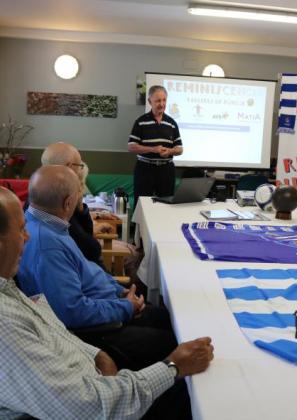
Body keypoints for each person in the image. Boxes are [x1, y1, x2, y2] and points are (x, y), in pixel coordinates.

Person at [0, 186, 214, 419]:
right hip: (100, 398)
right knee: (196, 391)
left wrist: (98, 355)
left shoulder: (7, 285)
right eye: (21, 230)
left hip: (98, 375)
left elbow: (56, 332)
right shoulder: (5, 325)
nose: (27, 237)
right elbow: (87, 407)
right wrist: (173, 367)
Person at [17, 165, 177, 373]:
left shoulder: (48, 224)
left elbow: (87, 269)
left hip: (111, 304)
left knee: (172, 318)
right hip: (98, 331)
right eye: (79, 193)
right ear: (68, 203)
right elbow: (72, 312)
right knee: (175, 339)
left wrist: (120, 291)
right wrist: (125, 307)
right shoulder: (46, 246)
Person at [40, 142, 104, 267]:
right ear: (69, 167)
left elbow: (86, 235)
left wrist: (80, 207)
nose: (81, 170)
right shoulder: (57, 201)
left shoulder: (43, 193)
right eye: (80, 166)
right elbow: (91, 250)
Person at [128, 85, 183, 205]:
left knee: (166, 205)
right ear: (150, 101)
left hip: (166, 170)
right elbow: (131, 146)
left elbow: (179, 149)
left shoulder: (172, 123)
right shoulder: (140, 121)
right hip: (144, 169)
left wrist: (170, 151)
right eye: (158, 101)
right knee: (142, 204)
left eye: (164, 100)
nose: (161, 104)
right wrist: (153, 149)